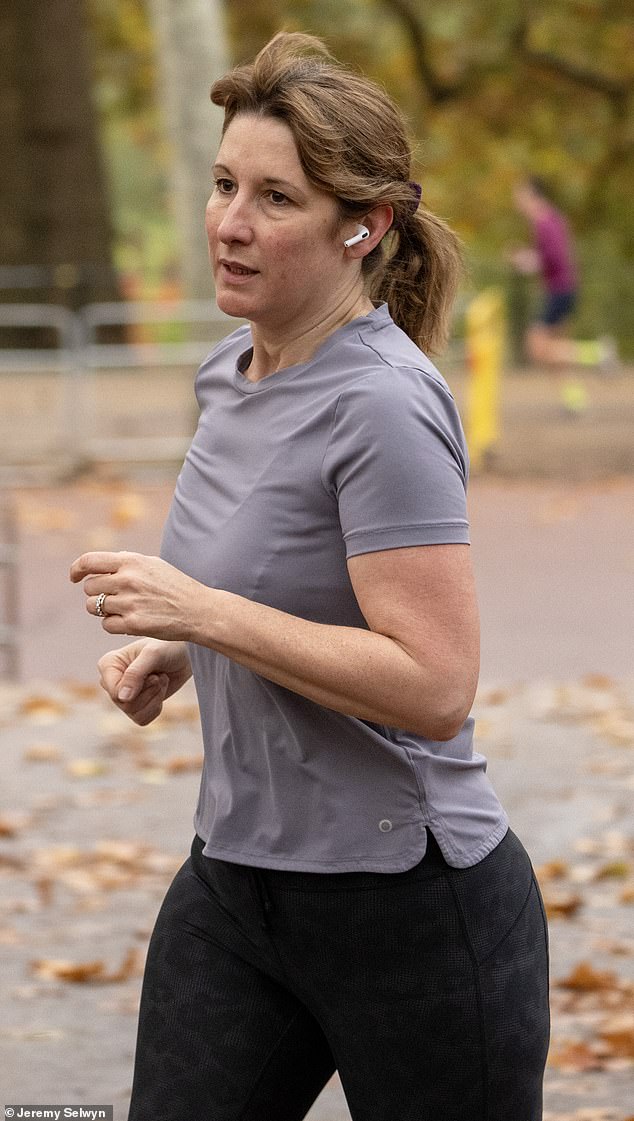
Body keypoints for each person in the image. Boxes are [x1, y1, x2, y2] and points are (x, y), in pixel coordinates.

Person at [70, 33, 549, 1121]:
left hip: (411, 904)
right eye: (224, 184)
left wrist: (204, 611)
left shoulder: (381, 403)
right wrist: (178, 649)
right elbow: (273, 578)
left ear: (360, 226)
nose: (231, 222)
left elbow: (435, 685)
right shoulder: (229, 373)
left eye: (275, 197)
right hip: (237, 883)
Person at [510, 176, 617, 412]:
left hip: (558, 291)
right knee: (556, 351)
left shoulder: (543, 220)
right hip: (563, 289)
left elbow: (553, 259)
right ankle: (575, 402)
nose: (516, 201)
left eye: (519, 195)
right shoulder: (551, 218)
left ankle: (599, 353)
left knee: (537, 348)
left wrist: (527, 260)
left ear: (532, 195)